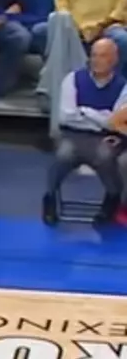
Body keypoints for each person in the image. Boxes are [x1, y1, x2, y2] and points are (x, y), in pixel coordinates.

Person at [42, 38, 127, 227]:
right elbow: (66, 116)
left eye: (103, 56)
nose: (96, 60)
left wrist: (84, 111)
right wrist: (102, 118)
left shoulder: (124, 86)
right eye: (94, 55)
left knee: (106, 155)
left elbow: (116, 123)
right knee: (63, 153)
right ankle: (50, 197)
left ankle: (111, 200)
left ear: (114, 59)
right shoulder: (72, 79)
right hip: (72, 135)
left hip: (104, 139)